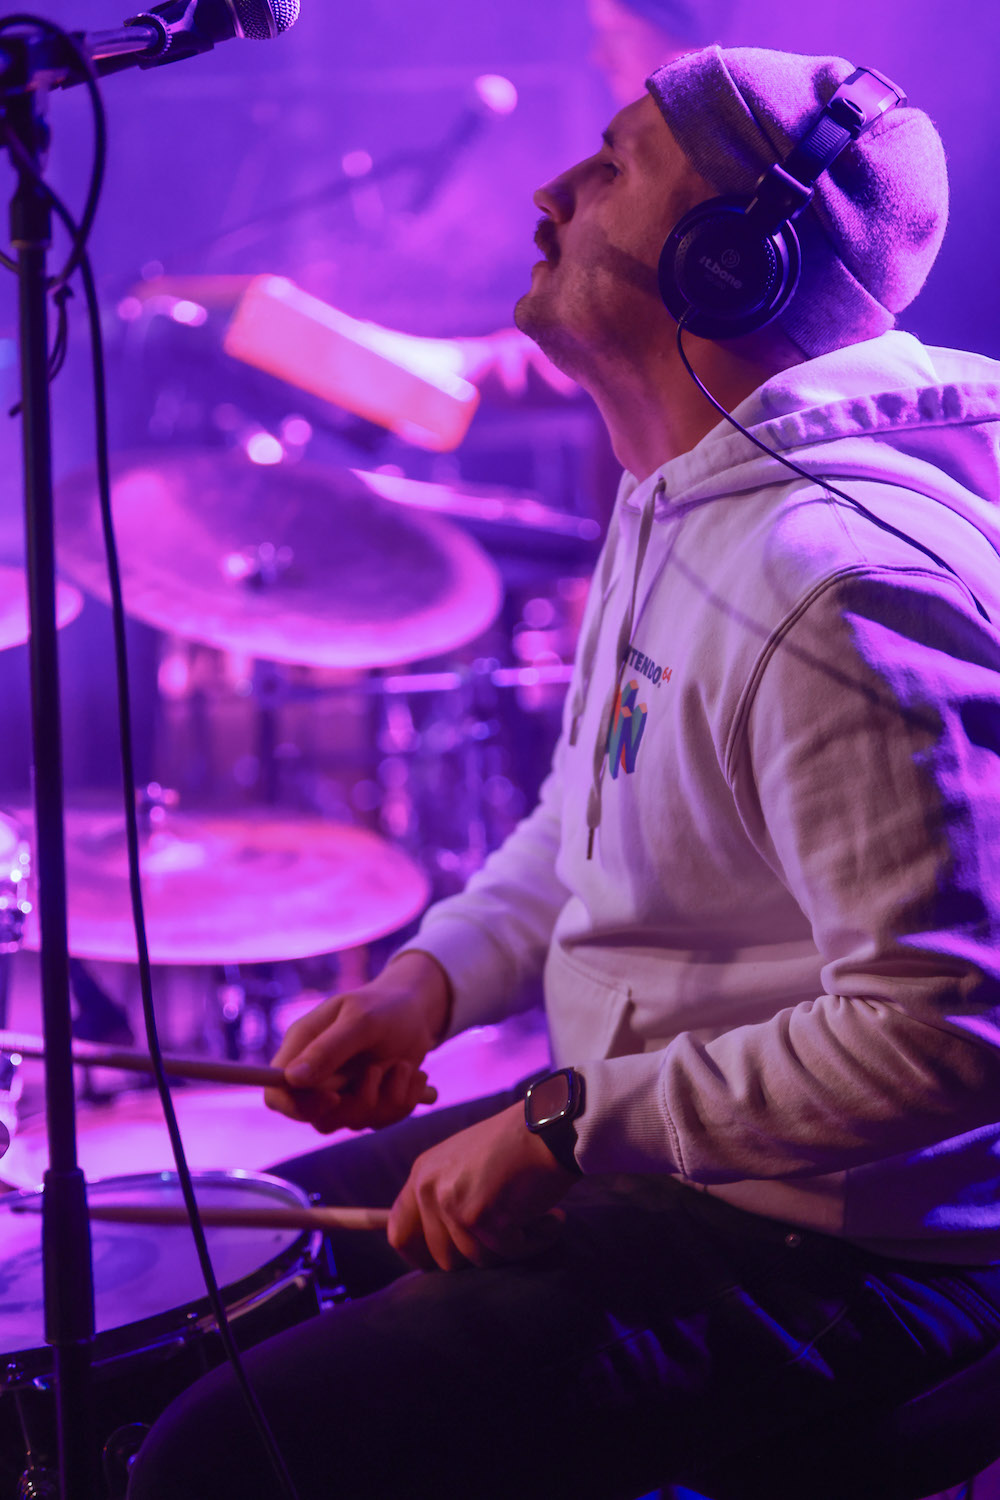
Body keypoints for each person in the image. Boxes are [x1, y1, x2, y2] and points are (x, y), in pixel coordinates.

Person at [128, 44, 1000, 1500]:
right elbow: (589, 824)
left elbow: (951, 1029)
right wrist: (430, 983)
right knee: (201, 1253)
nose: (551, 191)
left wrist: (565, 1124)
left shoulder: (844, 581)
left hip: (851, 1237)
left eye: (611, 165)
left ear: (731, 260)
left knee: (219, 1457)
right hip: (679, 1147)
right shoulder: (685, 500)